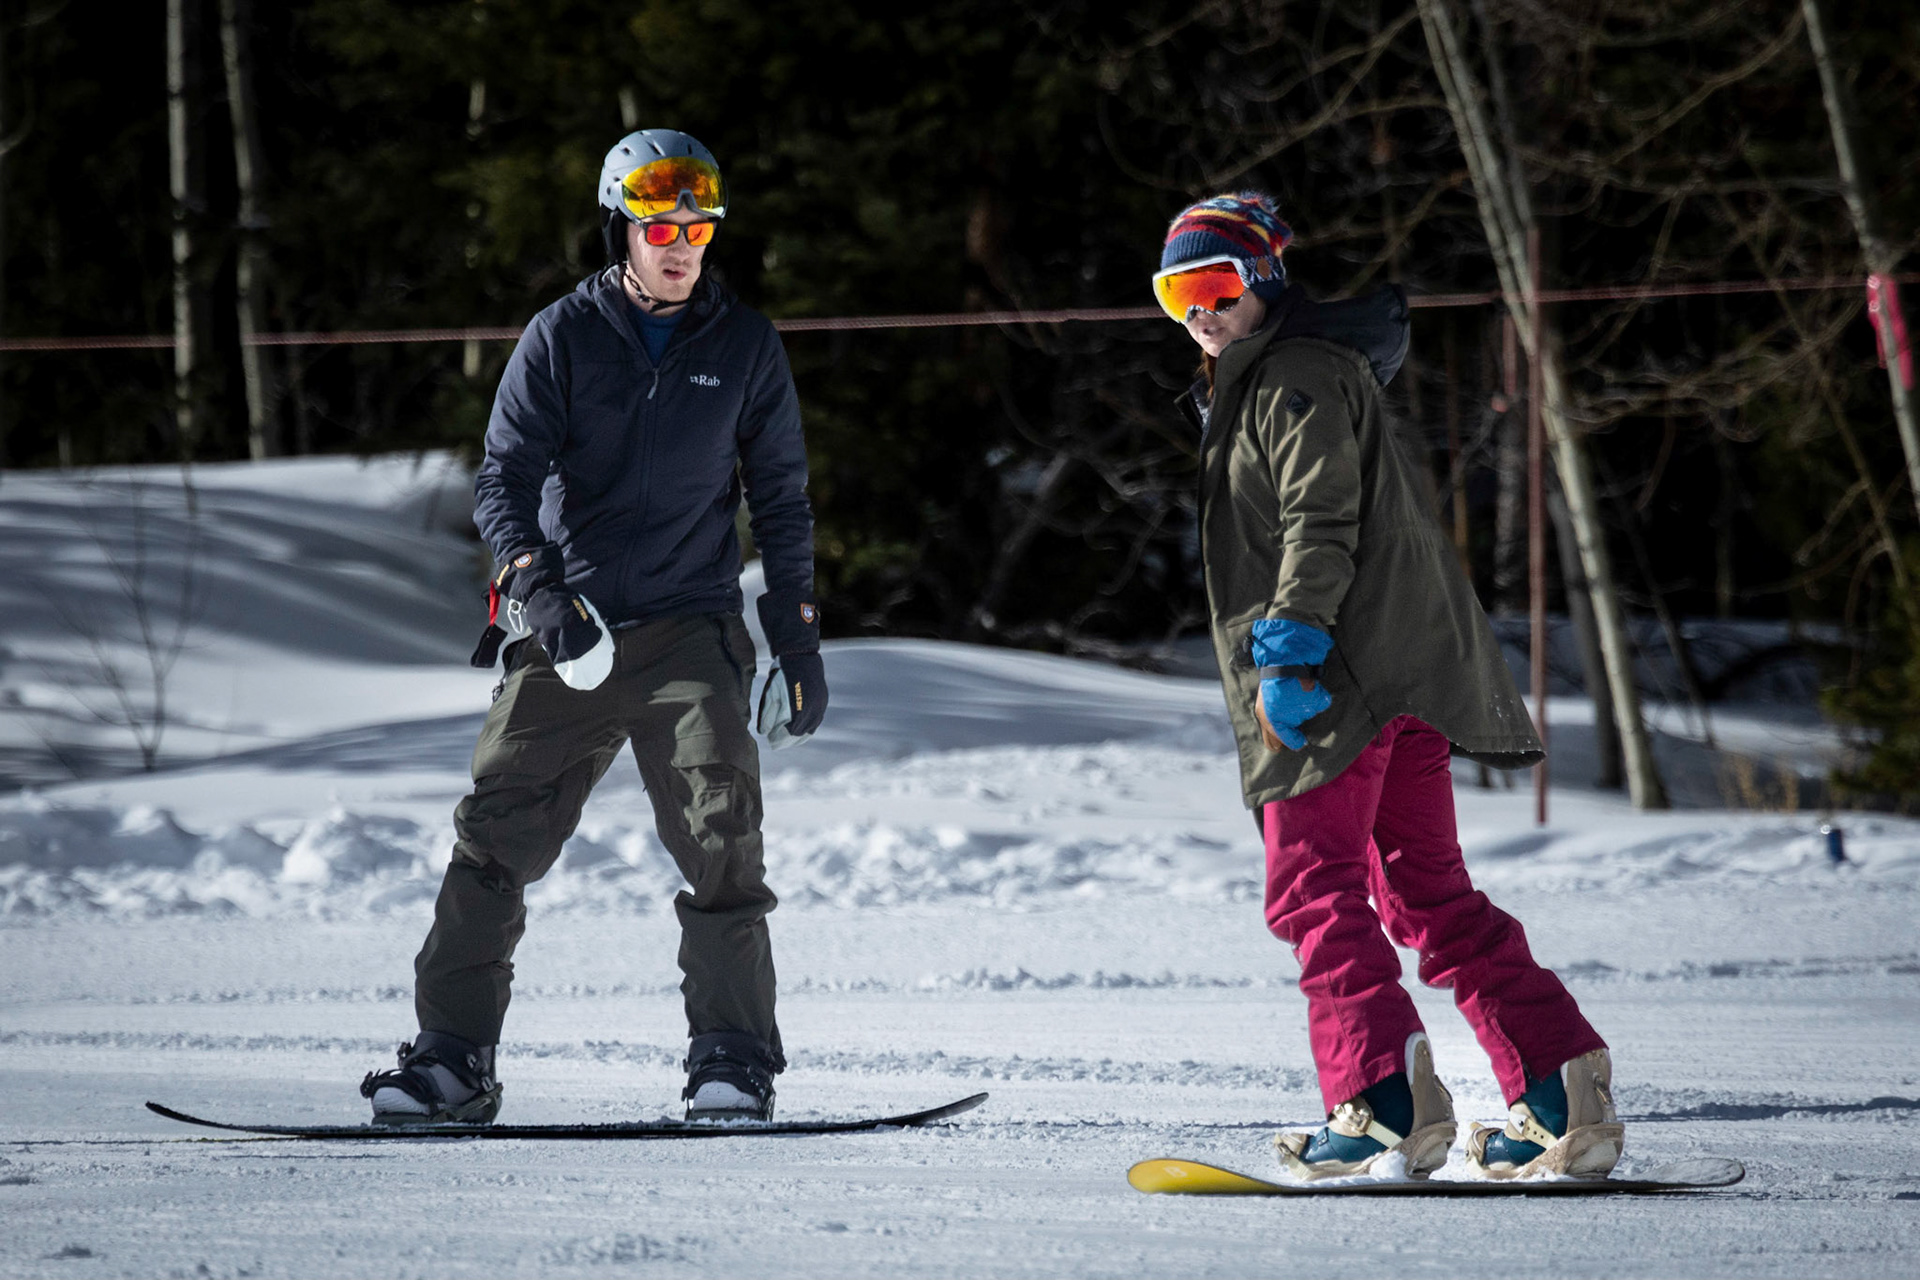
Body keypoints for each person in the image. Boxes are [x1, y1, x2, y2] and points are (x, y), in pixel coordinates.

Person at [359, 129, 827, 1126]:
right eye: (661, 225)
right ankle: (451, 1060)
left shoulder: (743, 345)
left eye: (697, 226)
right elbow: (503, 481)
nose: (682, 243)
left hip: (689, 633)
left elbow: (781, 501)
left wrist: (796, 638)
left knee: (722, 837)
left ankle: (733, 1060)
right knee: (494, 837)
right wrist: (539, 591)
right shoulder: (561, 335)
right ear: (622, 227)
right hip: (567, 631)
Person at [1152, 192, 1621, 1181]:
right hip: (1398, 673)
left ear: (1264, 284)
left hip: (1334, 676)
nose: (1200, 313)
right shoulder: (1302, 373)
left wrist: (1289, 647)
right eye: (1176, 295)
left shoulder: (1290, 379)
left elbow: (1319, 518)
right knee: (1423, 889)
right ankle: (1557, 1083)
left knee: (1312, 883)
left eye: (1216, 286)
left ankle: (1379, 1099)